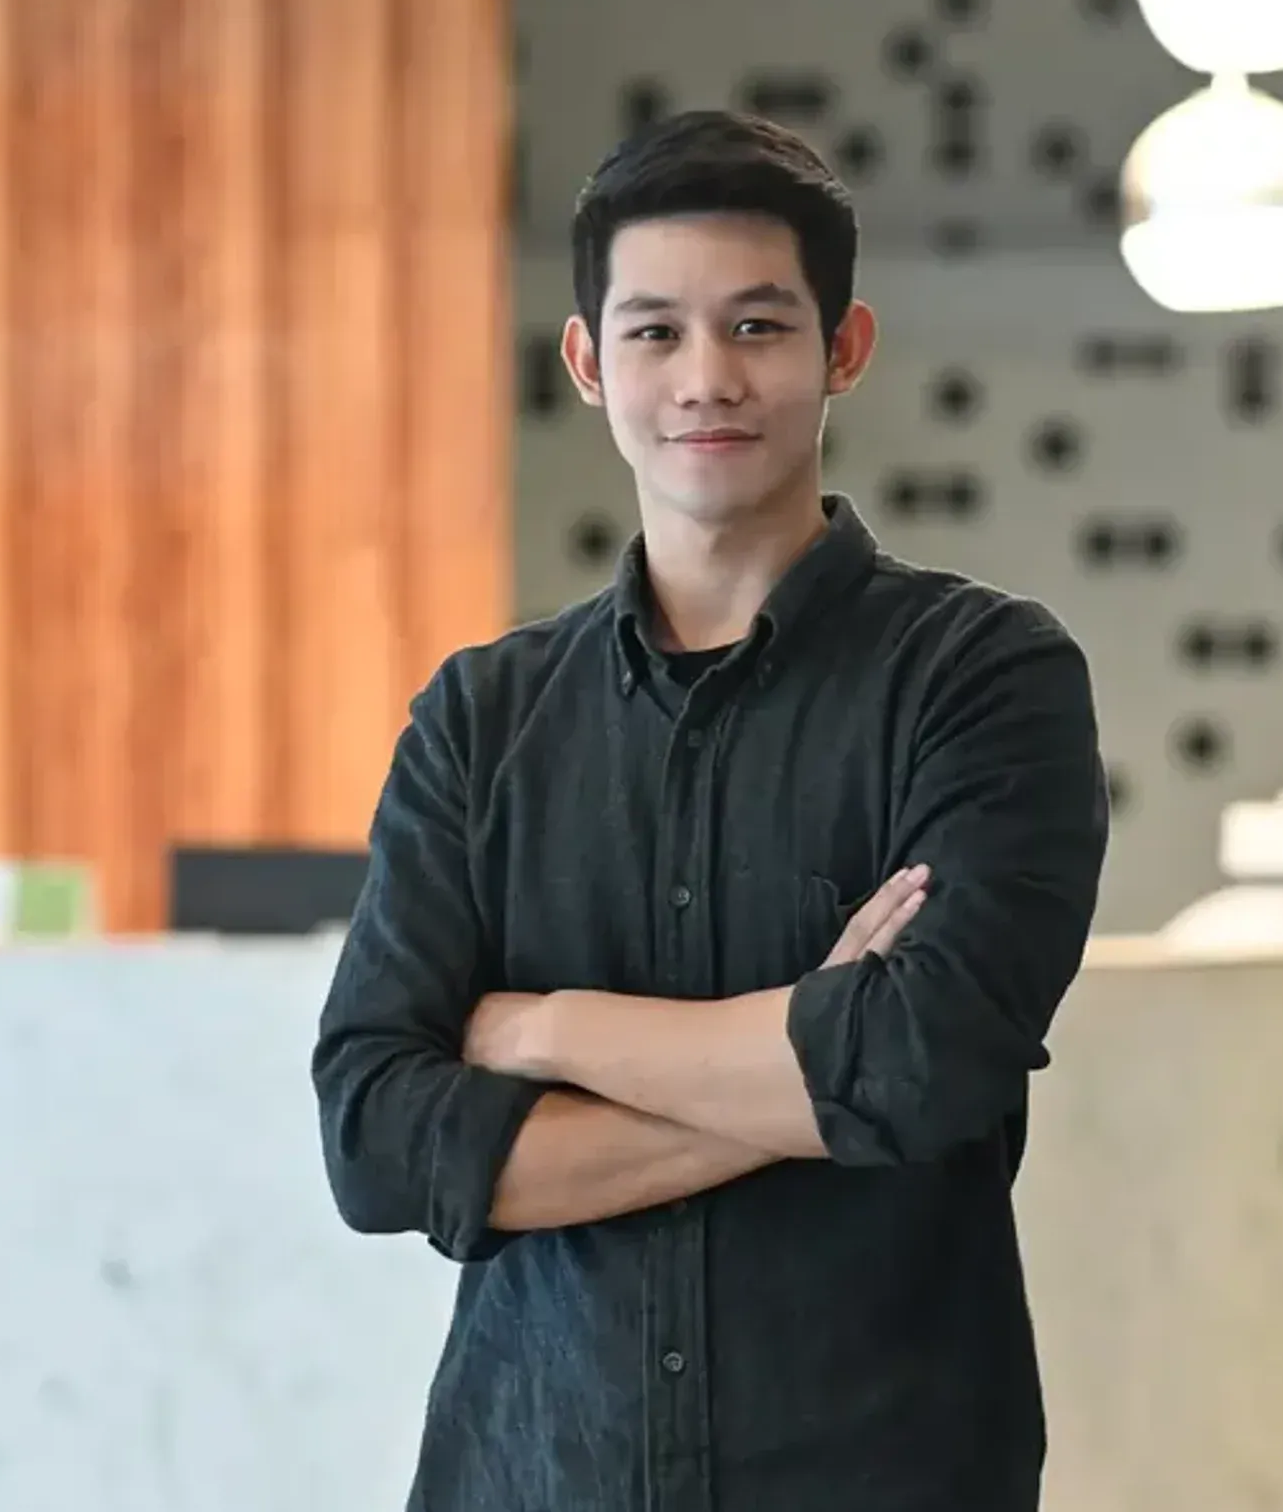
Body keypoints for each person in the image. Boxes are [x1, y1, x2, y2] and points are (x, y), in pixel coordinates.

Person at [309, 109, 1111, 1511]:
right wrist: (812, 1074)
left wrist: (543, 1033)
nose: (706, 379)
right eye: (655, 332)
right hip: (535, 1477)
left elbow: (924, 1064)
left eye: (757, 326)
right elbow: (379, 1141)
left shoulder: (983, 678)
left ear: (843, 348)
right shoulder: (482, 720)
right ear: (587, 361)